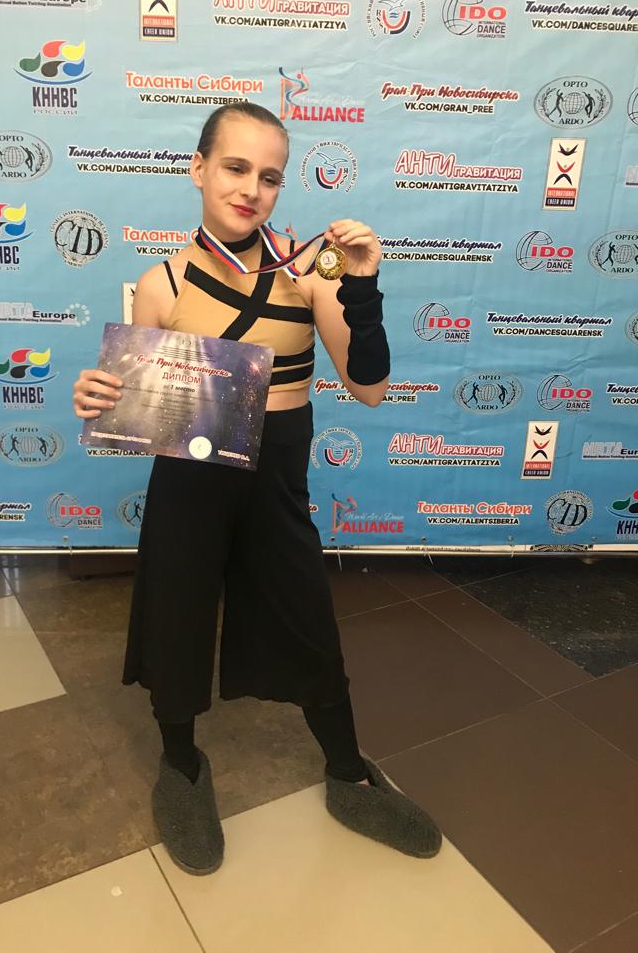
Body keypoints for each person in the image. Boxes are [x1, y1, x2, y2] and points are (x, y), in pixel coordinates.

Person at [73, 102, 442, 874]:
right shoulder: (161, 284)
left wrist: (362, 285)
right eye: (235, 168)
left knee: (308, 621)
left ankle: (348, 772)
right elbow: (137, 404)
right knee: (176, 618)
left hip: (275, 484)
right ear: (198, 168)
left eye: (269, 176)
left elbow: (370, 386)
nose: (251, 189)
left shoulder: (309, 271)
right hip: (189, 484)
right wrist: (98, 395)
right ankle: (182, 767)